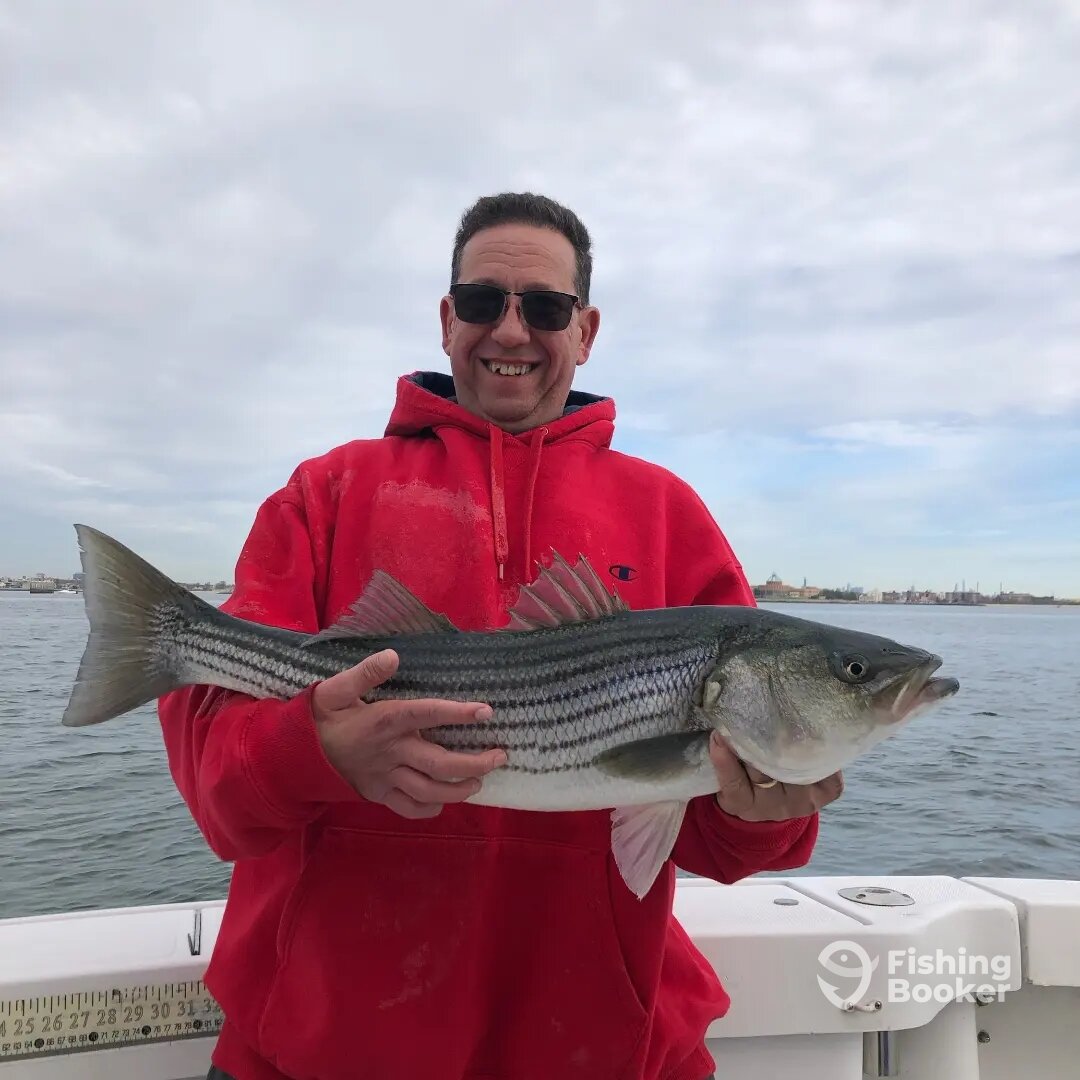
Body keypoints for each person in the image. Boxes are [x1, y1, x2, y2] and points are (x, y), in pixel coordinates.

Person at [159, 192, 843, 1080]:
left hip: (601, 1052)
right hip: (318, 1050)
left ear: (585, 332)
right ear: (448, 320)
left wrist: (763, 815)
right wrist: (312, 750)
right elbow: (218, 792)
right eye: (484, 302)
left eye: (546, 309)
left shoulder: (669, 515)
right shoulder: (326, 493)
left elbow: (704, 838)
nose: (511, 331)